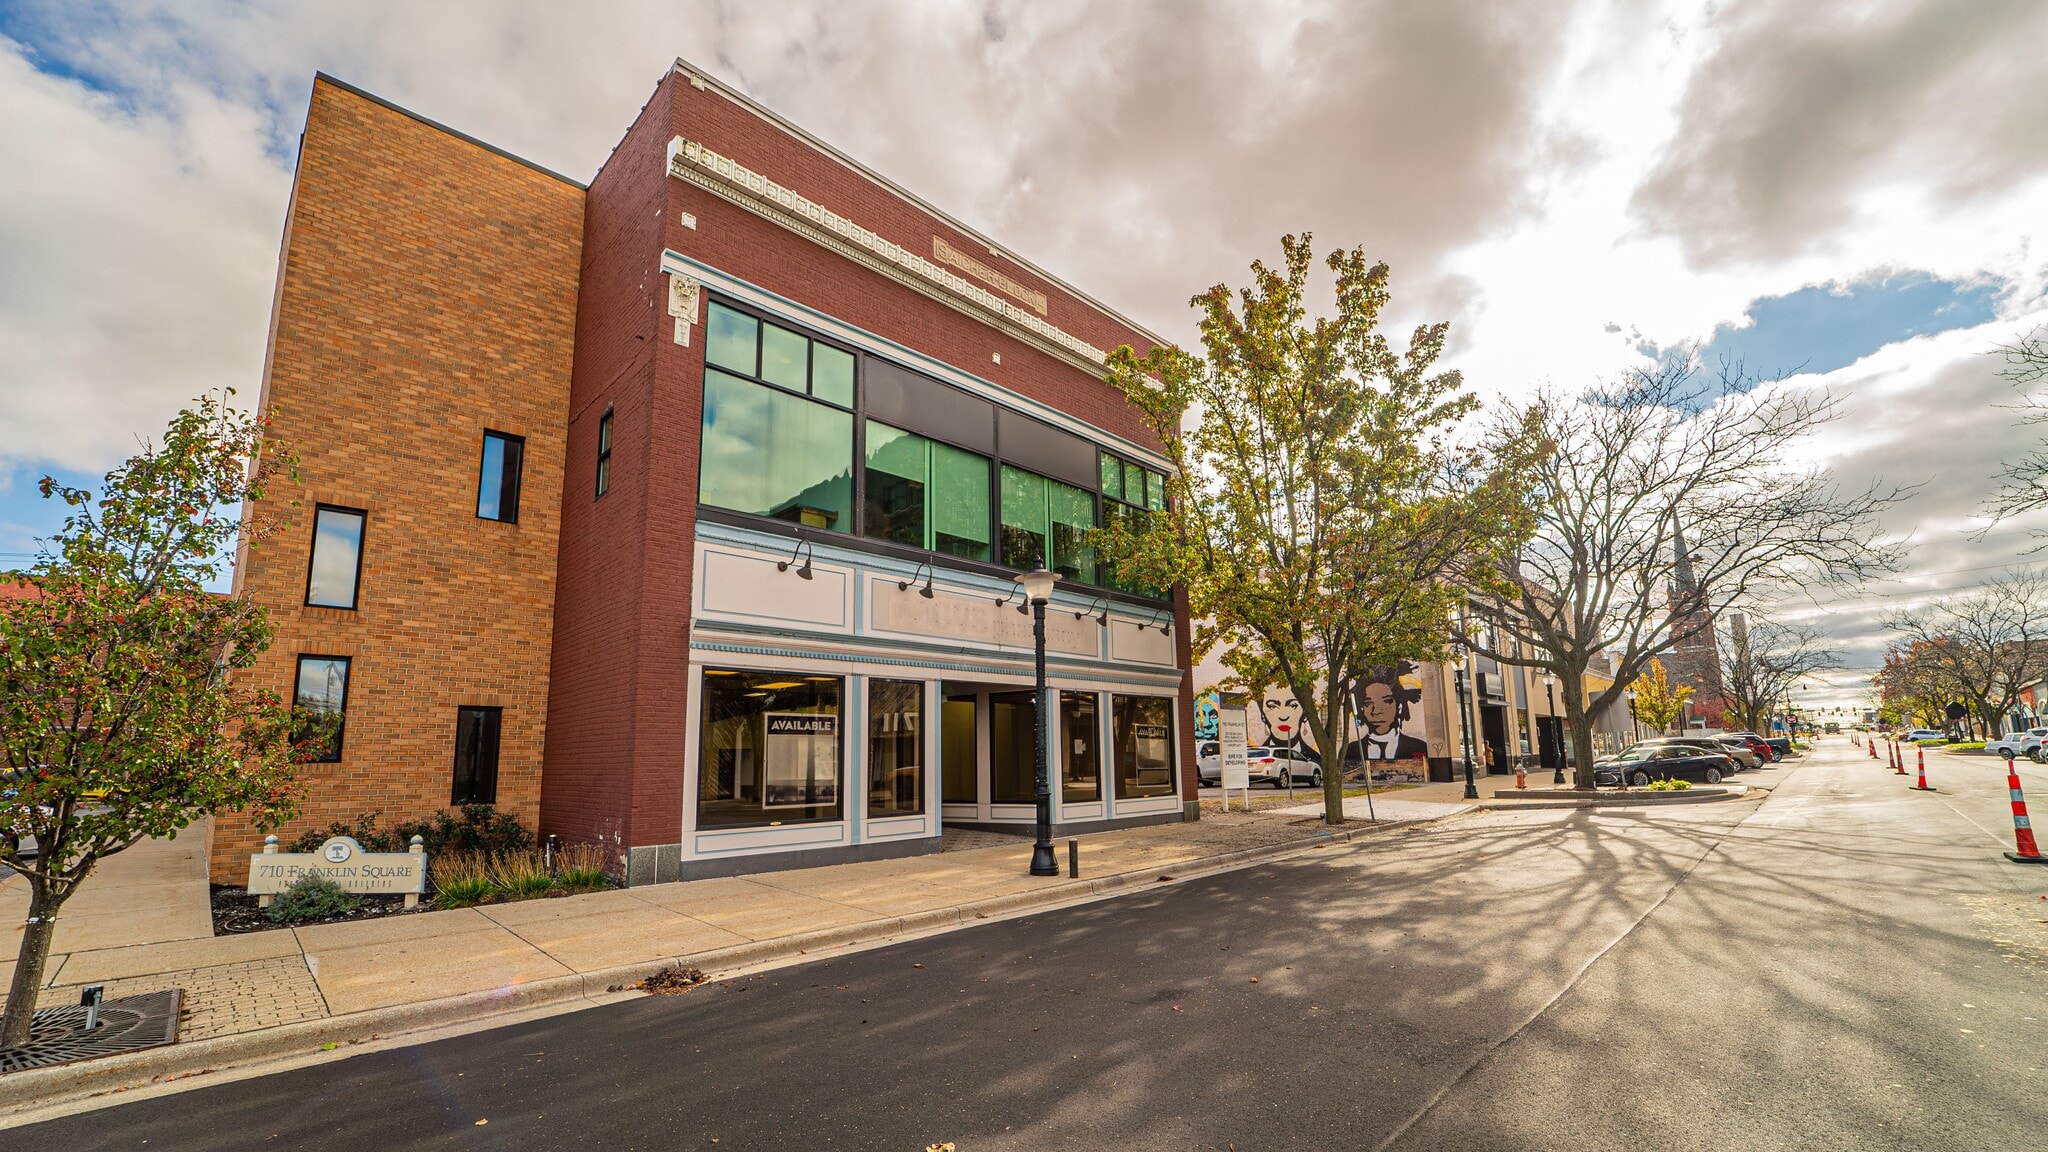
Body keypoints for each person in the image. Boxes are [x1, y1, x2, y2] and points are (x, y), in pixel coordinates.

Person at [1345, 665, 1428, 765]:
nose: (1376, 711)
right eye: (1368, 703)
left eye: (1386, 701)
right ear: (1361, 708)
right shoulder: (1351, 750)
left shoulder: (1419, 746)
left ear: (1400, 706)